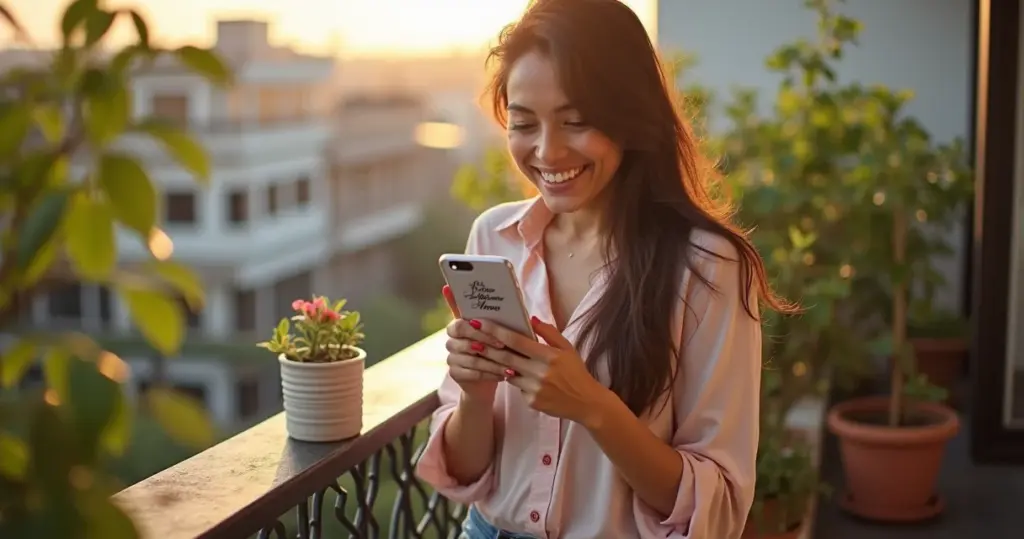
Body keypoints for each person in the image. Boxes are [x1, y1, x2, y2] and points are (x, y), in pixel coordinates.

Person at [415, 1, 793, 537]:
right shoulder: (495, 238)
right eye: (524, 123)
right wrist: (474, 395)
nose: (547, 151)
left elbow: (719, 506)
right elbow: (466, 470)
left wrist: (593, 407)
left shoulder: (707, 266)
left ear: (630, 118)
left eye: (576, 122)